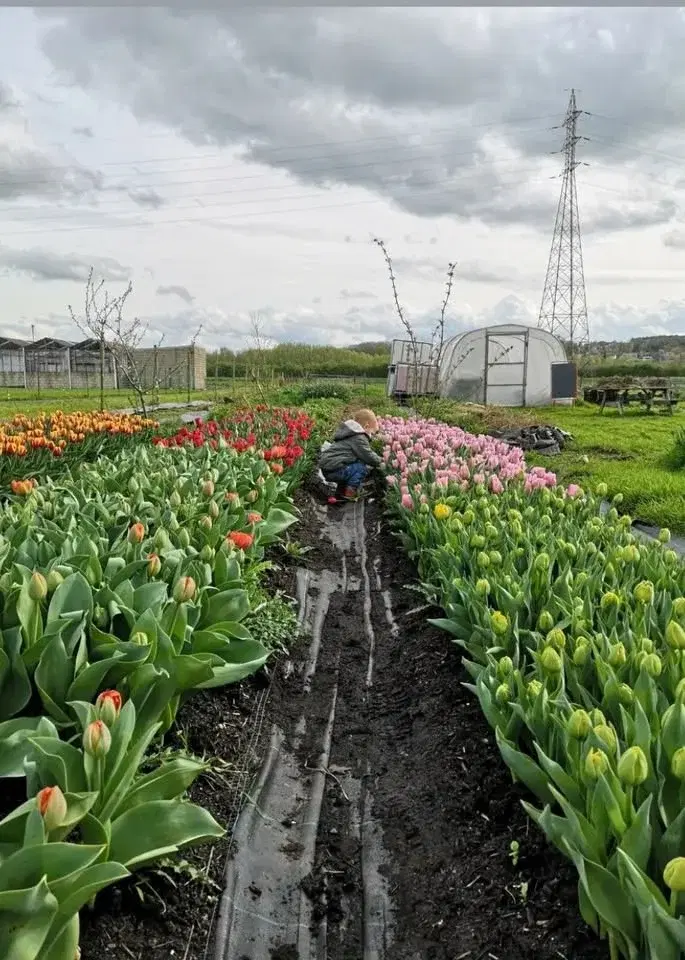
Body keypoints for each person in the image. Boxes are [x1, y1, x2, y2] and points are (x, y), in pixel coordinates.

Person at [319, 408, 383, 500]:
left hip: (330, 467)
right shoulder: (359, 438)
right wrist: (382, 461)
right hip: (334, 469)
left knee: (350, 467)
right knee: (360, 468)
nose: (372, 436)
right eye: (372, 432)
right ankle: (349, 494)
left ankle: (340, 494)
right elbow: (368, 455)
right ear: (366, 426)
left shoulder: (350, 434)